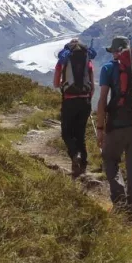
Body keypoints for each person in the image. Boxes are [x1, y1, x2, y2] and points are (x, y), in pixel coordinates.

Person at [95, 36, 132, 225]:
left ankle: (119, 200)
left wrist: (100, 128)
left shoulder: (108, 68)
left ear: (115, 51)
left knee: (109, 158)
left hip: (116, 124)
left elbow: (103, 99)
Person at [54, 39, 94, 177]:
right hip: (85, 101)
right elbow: (92, 86)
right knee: (80, 134)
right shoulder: (87, 61)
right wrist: (87, 98)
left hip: (69, 101)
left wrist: (65, 85)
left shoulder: (63, 60)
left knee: (66, 133)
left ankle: (74, 155)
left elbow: (55, 83)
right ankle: (83, 166)